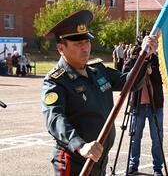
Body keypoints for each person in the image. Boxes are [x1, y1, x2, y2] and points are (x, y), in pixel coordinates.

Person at [40, 9, 158, 176]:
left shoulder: (97, 70)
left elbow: (130, 82)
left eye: (86, 42)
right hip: (75, 162)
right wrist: (81, 146)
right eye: (78, 44)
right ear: (61, 48)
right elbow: (55, 119)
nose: (85, 48)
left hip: (100, 160)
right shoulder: (55, 80)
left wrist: (144, 57)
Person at [123, 47, 164, 176]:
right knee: (135, 137)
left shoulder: (157, 60)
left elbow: (162, 80)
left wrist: (152, 72)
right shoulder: (136, 57)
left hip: (155, 105)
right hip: (137, 105)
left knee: (157, 138)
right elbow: (124, 75)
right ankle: (133, 165)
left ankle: (158, 168)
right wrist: (134, 60)